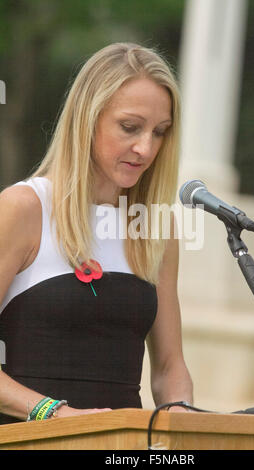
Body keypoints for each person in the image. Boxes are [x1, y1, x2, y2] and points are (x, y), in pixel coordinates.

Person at [0, 42, 193, 424]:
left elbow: (170, 368)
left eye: (160, 132)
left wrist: (184, 421)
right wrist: (54, 413)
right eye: (130, 127)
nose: (145, 147)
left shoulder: (156, 225)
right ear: (87, 118)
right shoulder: (23, 209)